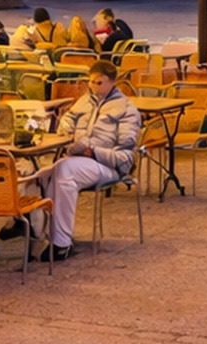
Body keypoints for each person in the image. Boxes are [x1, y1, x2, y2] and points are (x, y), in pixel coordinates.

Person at [20, 59, 140, 261]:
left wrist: (92, 152)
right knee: (42, 174)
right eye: (91, 82)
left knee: (64, 170)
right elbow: (68, 119)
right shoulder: (85, 100)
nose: (93, 87)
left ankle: (60, 242)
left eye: (99, 83)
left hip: (107, 165)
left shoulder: (127, 110)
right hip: (77, 159)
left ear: (112, 82)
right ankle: (37, 230)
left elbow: (125, 157)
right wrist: (67, 130)